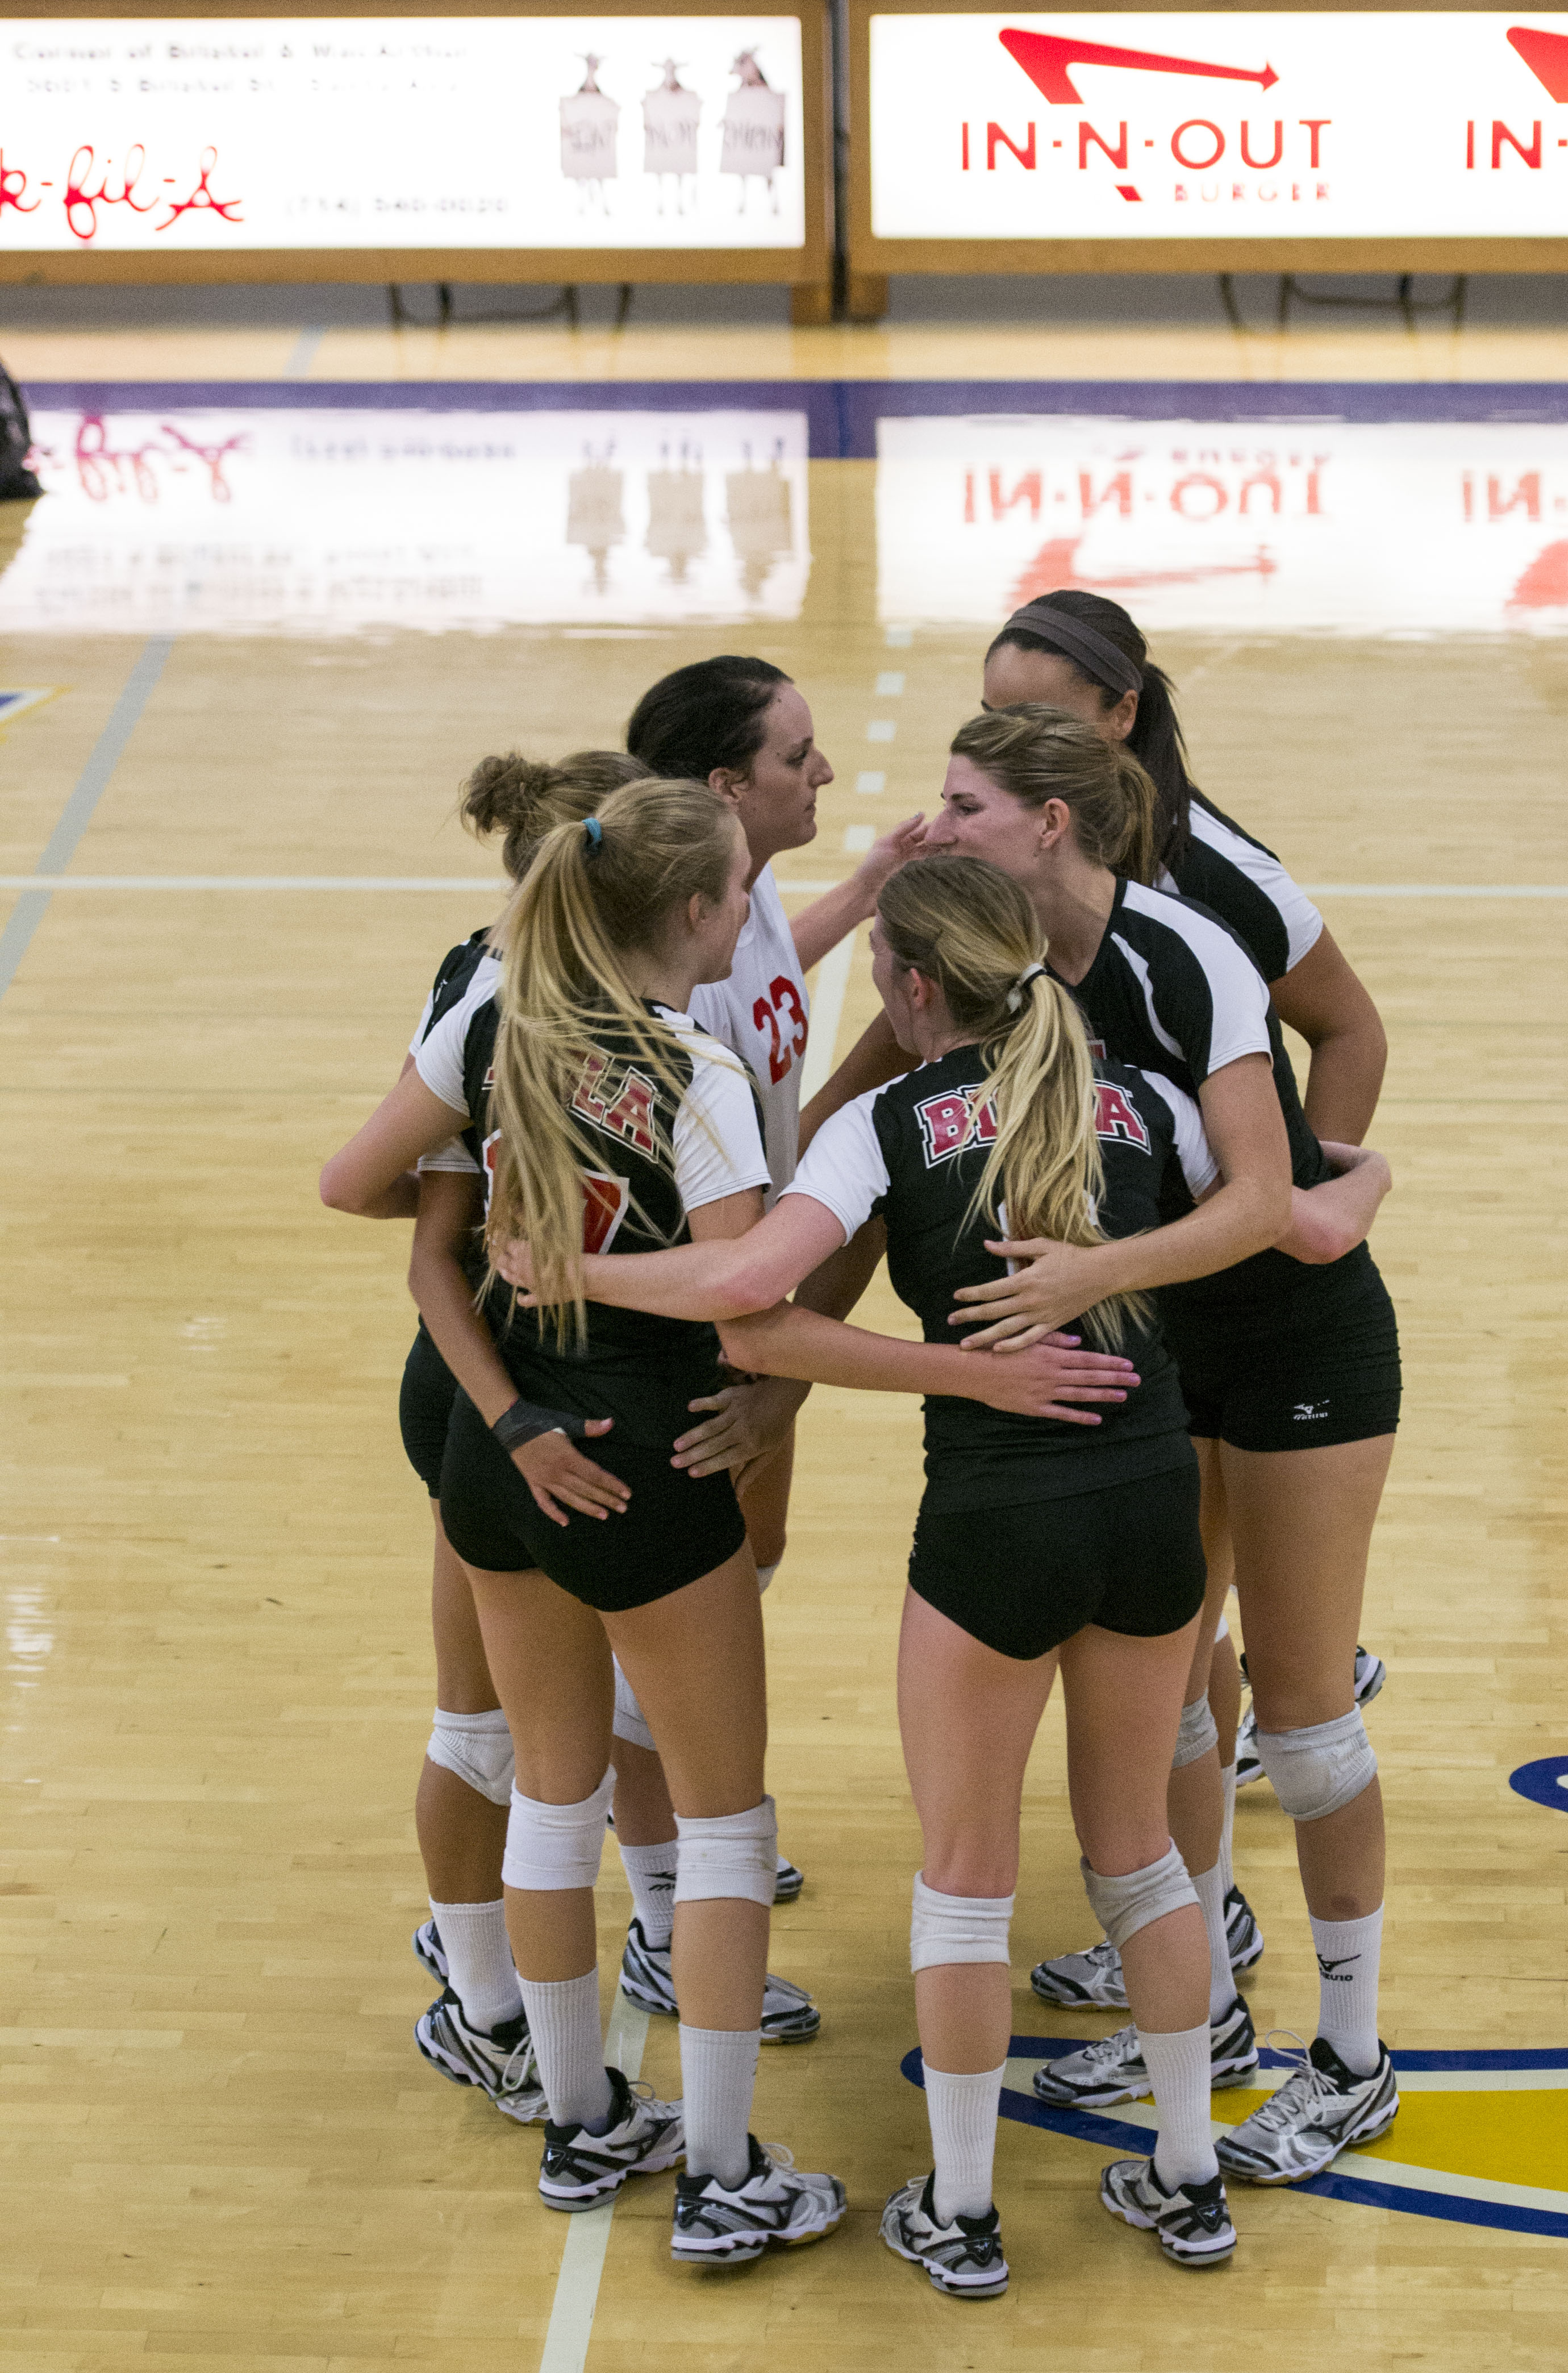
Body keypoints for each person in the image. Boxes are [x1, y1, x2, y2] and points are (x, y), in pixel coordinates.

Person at [498, 853, 1329, 2285]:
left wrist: (578, 1275)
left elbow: (750, 1308)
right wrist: (1360, 1178)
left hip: (997, 1524)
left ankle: (963, 2212)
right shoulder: (1148, 1097)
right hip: (1148, 1506)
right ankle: (1191, 2182)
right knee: (1142, 1855)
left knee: (967, 1880)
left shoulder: (880, 1125)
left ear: (909, 984)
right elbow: (1286, 1222)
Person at [321, 778, 854, 2258]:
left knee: (550, 1795)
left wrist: (515, 1288)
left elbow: (350, 1184)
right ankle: (727, 2167)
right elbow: (746, 1298)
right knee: (727, 1826)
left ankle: (578, 2123)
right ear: (694, 912)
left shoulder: (493, 1021)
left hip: (507, 1447)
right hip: (643, 1460)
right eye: (743, 879)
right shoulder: (693, 1073)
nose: (755, 902)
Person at [918, 708, 1400, 2186]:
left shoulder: (1185, 955)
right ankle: (1205, 2003)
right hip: (1156, 1355)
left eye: (963, 802)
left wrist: (1089, 1278)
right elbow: (878, 1116)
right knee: (1175, 1686)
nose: (936, 826)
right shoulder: (990, 961)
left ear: (1050, 823)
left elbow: (1263, 1200)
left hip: (1295, 1344)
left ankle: (1355, 2059)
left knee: (1305, 1723)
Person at [980, 591, 1390, 1892]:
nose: (1008, 745)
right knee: (1168, 1656)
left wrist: (1296, 1198)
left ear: (1122, 714)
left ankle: (1328, 2038)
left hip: (1246, 1312)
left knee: (1285, 1702)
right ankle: (1204, 1963)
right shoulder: (1001, 870)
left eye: (1039, 720)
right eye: (993, 720)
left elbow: (1354, 1029)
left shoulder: (1215, 878)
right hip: (1143, 1321)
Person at [616, 655, 923, 1950]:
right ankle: (661, 1899)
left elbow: (761, 990)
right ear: (723, 786)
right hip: (694, 1309)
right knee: (672, 1610)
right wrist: (769, 1355)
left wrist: (855, 897)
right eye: (800, 757)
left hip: (747, 1287)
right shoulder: (671, 938)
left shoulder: (728, 888)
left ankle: (685, 1846)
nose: (827, 772)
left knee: (746, 1564)